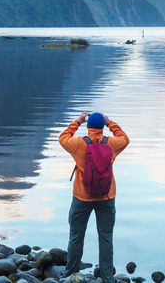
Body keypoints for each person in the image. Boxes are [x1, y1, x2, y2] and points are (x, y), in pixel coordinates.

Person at [59, 111, 129, 282]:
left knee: (76, 234)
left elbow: (62, 138)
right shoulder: (111, 143)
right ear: (102, 127)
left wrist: (77, 121)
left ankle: (71, 273)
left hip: (82, 197)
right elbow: (125, 138)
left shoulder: (78, 144)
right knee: (105, 237)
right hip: (106, 197)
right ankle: (107, 278)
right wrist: (110, 122)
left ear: (88, 126)